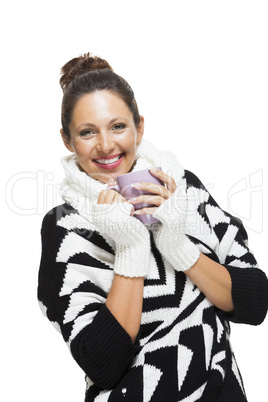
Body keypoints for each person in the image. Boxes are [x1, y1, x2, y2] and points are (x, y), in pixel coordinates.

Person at [37, 52, 268, 402]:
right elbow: (103, 365)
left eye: (118, 126)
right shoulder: (65, 227)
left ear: (139, 127)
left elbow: (255, 304)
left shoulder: (182, 190)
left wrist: (177, 244)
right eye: (87, 132)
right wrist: (130, 249)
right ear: (68, 141)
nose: (106, 145)